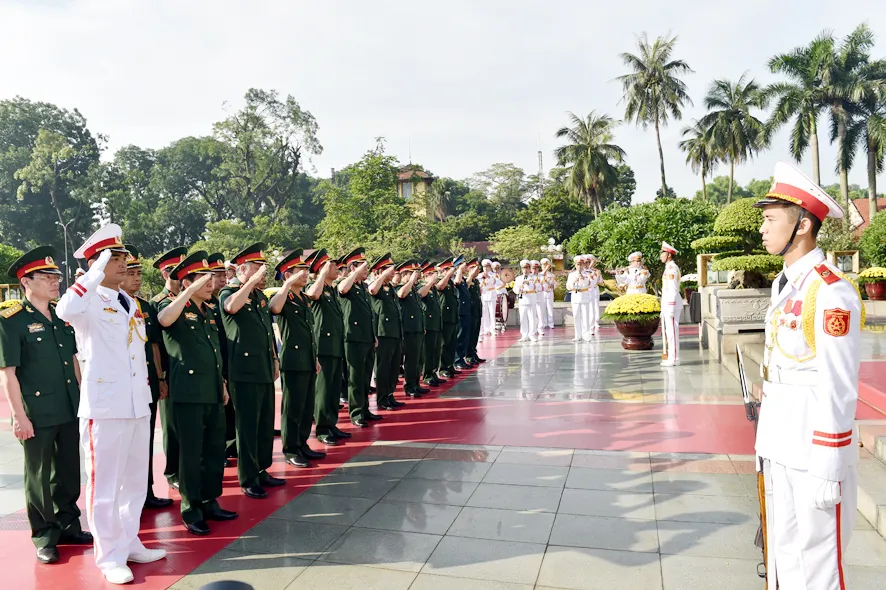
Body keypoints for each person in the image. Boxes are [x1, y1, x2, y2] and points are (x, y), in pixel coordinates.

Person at [754, 162, 862, 590]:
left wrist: (829, 463)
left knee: (818, 566)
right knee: (783, 555)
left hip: (813, 449)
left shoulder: (831, 290)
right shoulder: (787, 284)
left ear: (801, 225)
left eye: (770, 219)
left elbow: (839, 384)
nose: (762, 228)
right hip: (779, 441)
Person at [56, 225, 166, 585]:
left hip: (137, 403)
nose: (123, 264)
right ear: (98, 264)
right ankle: (108, 556)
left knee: (134, 482)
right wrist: (94, 273)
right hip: (104, 408)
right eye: (115, 259)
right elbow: (64, 309)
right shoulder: (86, 300)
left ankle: (129, 540)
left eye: (121, 258)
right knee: (104, 487)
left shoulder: (129, 301)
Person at [0, 247, 93, 564]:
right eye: (48, 277)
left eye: (57, 276)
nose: (56, 282)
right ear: (27, 281)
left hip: (69, 406)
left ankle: (69, 525)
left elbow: (73, 360)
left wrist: (83, 396)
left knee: (68, 471)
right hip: (36, 413)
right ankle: (44, 535)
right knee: (38, 477)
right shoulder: (11, 320)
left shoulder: (61, 318)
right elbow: (8, 374)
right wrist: (18, 416)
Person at [157, 251, 237, 535]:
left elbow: (215, 353)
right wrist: (186, 291)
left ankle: (209, 500)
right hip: (188, 393)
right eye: (202, 279)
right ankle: (191, 510)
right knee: (191, 454)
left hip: (213, 391)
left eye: (210, 278)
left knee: (213, 450)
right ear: (187, 281)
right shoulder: (173, 305)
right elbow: (164, 321)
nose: (210, 283)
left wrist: (223, 384)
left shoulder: (210, 310)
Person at [218, 243, 284, 499]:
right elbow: (231, 308)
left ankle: (261, 469)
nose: (262, 272)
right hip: (243, 370)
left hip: (264, 367)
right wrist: (250, 282)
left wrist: (275, 359)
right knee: (246, 426)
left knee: (265, 423)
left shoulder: (259, 296)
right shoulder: (229, 291)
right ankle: (247, 477)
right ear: (243, 269)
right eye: (257, 268)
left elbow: (268, 331)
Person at [120, 245, 173, 510]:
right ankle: (128, 498)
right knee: (124, 445)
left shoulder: (145, 306)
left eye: (139, 272)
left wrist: (161, 378)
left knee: (146, 440)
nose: (137, 278)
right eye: (131, 273)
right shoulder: (113, 306)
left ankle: (146, 491)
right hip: (123, 386)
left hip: (147, 382)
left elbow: (153, 346)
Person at [268, 250, 326, 467]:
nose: (305, 274)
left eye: (305, 270)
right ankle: (291, 448)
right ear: (287, 275)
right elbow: (274, 308)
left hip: (308, 358)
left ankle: (302, 443)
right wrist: (286, 285)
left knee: (306, 406)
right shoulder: (284, 297)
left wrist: (316, 357)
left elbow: (309, 331)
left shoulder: (303, 298)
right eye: (299, 271)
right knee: (292, 407)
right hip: (292, 359)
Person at [149, 246, 188, 490]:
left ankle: (188, 467)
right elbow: (155, 344)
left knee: (188, 426)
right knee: (172, 426)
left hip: (189, 370)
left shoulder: (190, 300)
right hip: (170, 371)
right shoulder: (157, 303)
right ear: (165, 274)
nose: (181, 276)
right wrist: (161, 377)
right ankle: (173, 471)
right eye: (175, 272)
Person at [304, 249, 351, 444]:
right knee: (323, 390)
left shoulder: (331, 289)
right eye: (332, 265)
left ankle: (331, 424)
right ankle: (322, 429)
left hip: (335, 345)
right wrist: (321, 275)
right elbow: (312, 295)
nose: (337, 268)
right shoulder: (314, 285)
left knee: (332, 389)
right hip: (323, 346)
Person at [336, 248, 381, 427]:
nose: (367, 270)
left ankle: (364, 409)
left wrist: (373, 335)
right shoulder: (346, 284)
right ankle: (356, 413)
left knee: (365, 376)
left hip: (366, 337)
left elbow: (368, 314)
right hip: (353, 338)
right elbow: (342, 288)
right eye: (364, 267)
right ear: (353, 267)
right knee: (355, 378)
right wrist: (353, 273)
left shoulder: (362, 286)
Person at [206, 253, 235, 464]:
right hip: (214, 364)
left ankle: (230, 445)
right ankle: (221, 448)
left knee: (229, 409)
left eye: (224, 275)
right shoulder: (205, 303)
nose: (223, 279)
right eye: (217, 275)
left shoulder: (216, 301)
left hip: (226, 360)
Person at [369, 253, 404, 409]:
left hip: (395, 331)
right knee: (383, 367)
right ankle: (382, 399)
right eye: (390, 270)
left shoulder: (389, 287)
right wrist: (382, 275)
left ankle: (390, 395)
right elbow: (372, 290)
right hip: (383, 332)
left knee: (393, 366)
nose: (393, 273)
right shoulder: (375, 284)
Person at [396, 260, 432, 397]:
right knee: (410, 360)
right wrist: (410, 281)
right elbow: (401, 294)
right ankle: (409, 386)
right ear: (406, 274)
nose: (417, 276)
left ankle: (416, 384)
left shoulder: (413, 289)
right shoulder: (400, 287)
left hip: (417, 329)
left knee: (418, 359)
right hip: (408, 330)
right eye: (413, 273)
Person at [419, 262, 443, 387]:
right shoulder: (423, 286)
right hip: (428, 324)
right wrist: (429, 283)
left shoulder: (433, 288)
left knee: (436, 350)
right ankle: (427, 375)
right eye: (432, 274)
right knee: (428, 352)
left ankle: (434, 373)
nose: (435, 277)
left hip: (436, 324)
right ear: (426, 275)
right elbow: (420, 294)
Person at [659, 242, 683, 367]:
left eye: (662, 253)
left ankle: (674, 358)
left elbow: (673, 289)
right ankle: (672, 356)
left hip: (671, 303)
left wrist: (671, 305)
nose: (660, 255)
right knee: (669, 331)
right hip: (668, 303)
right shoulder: (668, 268)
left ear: (668, 255)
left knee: (672, 331)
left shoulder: (672, 268)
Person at [437, 259, 460, 378]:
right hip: (445, 317)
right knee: (444, 344)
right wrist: (447, 275)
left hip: (452, 316)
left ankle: (450, 365)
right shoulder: (441, 280)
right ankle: (443, 368)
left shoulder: (450, 282)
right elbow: (440, 287)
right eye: (449, 269)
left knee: (452, 343)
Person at [454, 257, 473, 370]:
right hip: (460, 311)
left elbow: (466, 284)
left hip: (466, 311)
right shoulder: (455, 277)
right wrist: (459, 270)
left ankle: (462, 358)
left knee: (465, 336)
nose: (466, 268)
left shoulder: (463, 278)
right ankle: (457, 360)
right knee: (460, 336)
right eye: (464, 266)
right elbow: (456, 282)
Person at [465, 259, 485, 365]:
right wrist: (470, 276)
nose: (478, 271)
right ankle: (468, 355)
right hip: (470, 311)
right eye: (476, 269)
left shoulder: (476, 281)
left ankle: (473, 352)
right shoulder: (466, 280)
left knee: (475, 333)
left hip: (477, 310)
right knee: (470, 333)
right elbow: (465, 288)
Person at [513, 260, 538, 343]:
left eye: (527, 268)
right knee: (523, 318)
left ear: (530, 268)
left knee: (532, 318)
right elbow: (515, 289)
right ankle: (524, 335)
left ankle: (532, 335)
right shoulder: (518, 278)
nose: (526, 270)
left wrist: (529, 284)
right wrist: (520, 287)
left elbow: (537, 288)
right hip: (522, 299)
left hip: (531, 299)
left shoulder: (534, 277)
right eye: (524, 268)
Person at [566, 256, 588, 343]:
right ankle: (577, 335)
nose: (579, 266)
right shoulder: (571, 274)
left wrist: (583, 279)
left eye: (581, 264)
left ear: (583, 264)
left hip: (584, 295)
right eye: (578, 264)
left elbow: (589, 284)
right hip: (575, 295)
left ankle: (586, 335)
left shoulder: (587, 273)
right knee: (576, 316)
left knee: (585, 317)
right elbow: (568, 287)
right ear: (575, 264)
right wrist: (573, 281)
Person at [585, 255, 604, 339]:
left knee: (595, 306)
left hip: (594, 290)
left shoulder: (596, 271)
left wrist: (598, 275)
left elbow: (601, 282)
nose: (587, 264)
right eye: (586, 262)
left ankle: (595, 322)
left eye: (589, 262)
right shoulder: (582, 272)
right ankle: (587, 326)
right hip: (586, 291)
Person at [479, 259, 496, 336]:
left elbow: (496, 282)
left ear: (490, 267)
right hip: (484, 295)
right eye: (484, 267)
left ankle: (493, 329)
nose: (486, 268)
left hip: (491, 295)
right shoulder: (480, 275)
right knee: (484, 313)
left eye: (487, 267)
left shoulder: (493, 275)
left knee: (492, 313)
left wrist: (488, 278)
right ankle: (485, 329)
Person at [529, 260, 545, 337]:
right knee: (533, 314)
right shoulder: (529, 277)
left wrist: (536, 287)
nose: (534, 270)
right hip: (531, 297)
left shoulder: (541, 277)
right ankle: (533, 329)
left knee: (540, 314)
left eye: (536, 268)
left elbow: (544, 287)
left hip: (539, 296)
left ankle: (540, 328)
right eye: (533, 268)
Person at [540, 258, 556, 330]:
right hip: (542, 293)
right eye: (543, 265)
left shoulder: (552, 275)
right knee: (542, 309)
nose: (544, 266)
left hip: (549, 292)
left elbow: (555, 284)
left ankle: (551, 323)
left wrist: (553, 286)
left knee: (550, 309)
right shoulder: (539, 274)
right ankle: (543, 323)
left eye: (546, 265)